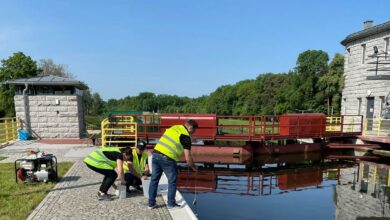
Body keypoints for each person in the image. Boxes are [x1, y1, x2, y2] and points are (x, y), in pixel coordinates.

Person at [148, 119, 198, 209]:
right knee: (172, 181)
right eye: (193, 131)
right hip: (168, 158)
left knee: (154, 180)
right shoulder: (185, 136)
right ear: (190, 128)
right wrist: (194, 167)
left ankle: (151, 204)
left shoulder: (175, 127)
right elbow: (188, 158)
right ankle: (171, 204)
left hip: (155, 154)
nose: (192, 133)